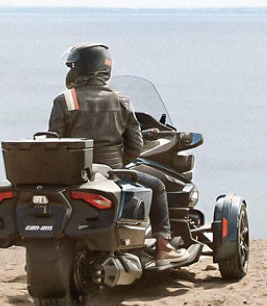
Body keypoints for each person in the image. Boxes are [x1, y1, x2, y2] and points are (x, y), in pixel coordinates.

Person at [47, 44, 178, 263]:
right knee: (158, 186)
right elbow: (135, 144)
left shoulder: (65, 100)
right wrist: (118, 164)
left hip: (76, 176)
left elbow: (54, 142)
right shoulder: (121, 100)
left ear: (81, 69)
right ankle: (163, 246)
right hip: (114, 174)